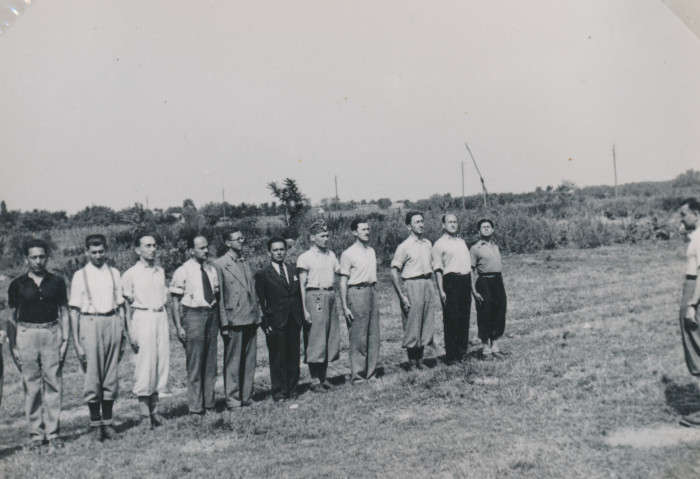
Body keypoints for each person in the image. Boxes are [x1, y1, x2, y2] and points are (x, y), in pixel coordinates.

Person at [7, 239, 69, 450]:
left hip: (51, 333)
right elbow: (11, 317)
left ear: (47, 258)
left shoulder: (57, 282)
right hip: (26, 335)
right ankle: (36, 434)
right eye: (33, 257)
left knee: (53, 384)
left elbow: (65, 312)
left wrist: (65, 339)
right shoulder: (17, 285)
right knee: (31, 386)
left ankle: (53, 433)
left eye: (42, 256)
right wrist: (14, 345)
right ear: (26, 259)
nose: (38, 261)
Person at [69, 234, 126, 442]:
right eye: (93, 252)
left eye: (101, 251)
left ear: (106, 250)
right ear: (86, 252)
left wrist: (123, 333)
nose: (98, 256)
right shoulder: (79, 275)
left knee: (110, 374)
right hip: (90, 323)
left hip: (111, 322)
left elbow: (121, 307)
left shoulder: (115, 273)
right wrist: (77, 343)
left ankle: (108, 423)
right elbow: (73, 313)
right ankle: (95, 425)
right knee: (93, 376)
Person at [122, 234, 170, 430]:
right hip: (142, 319)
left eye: (154, 245)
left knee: (160, 364)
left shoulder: (160, 271)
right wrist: (129, 333)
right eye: (147, 246)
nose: (152, 249)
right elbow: (125, 307)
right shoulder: (130, 274)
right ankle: (144, 415)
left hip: (160, 317)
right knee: (145, 366)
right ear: (137, 250)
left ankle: (155, 412)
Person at [170, 235, 219, 418]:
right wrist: (179, 327)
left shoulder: (211, 270)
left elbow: (215, 294)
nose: (206, 251)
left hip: (211, 315)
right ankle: (196, 407)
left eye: (207, 247)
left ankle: (209, 403)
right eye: (201, 248)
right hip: (193, 316)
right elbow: (174, 302)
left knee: (210, 362)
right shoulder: (183, 271)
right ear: (192, 250)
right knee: (195, 363)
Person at [214, 229, 261, 409]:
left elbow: (252, 291)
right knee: (233, 361)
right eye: (238, 238)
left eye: (243, 237)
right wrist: (224, 323)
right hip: (233, 319)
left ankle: (247, 395)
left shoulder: (244, 262)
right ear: (227, 242)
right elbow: (219, 298)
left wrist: (258, 316)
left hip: (250, 317)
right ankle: (232, 399)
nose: (242, 240)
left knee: (250, 360)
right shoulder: (220, 265)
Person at [254, 236, 304, 401]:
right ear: (269, 252)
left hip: (293, 320)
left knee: (293, 356)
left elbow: (298, 295)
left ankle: (293, 390)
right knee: (277, 358)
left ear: (286, 250)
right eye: (275, 250)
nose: (279, 252)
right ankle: (279, 392)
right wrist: (264, 323)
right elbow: (260, 300)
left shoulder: (292, 269)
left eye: (281, 249)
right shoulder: (263, 274)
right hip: (276, 321)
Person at [297, 220, 340, 392]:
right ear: (312, 238)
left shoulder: (331, 255)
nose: (326, 239)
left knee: (329, 336)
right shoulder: (305, 257)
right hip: (315, 297)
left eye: (327, 236)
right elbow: (301, 285)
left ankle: (323, 377)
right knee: (316, 337)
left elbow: (339, 272)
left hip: (330, 295)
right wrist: (304, 309)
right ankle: (314, 380)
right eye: (322, 236)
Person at [390, 211, 437, 370]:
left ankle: (421, 360)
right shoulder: (404, 246)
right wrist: (401, 295)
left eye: (422, 221)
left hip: (427, 283)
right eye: (417, 222)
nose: (421, 224)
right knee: (413, 323)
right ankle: (412, 362)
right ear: (409, 226)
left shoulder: (428, 244)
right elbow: (394, 271)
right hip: (412, 284)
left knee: (426, 321)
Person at [339, 218, 380, 384]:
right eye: (363, 229)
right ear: (354, 232)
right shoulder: (348, 254)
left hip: (372, 291)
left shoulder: (371, 251)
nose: (367, 232)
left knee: (373, 334)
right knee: (358, 336)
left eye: (368, 229)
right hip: (356, 293)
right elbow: (342, 281)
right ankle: (358, 375)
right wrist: (344, 305)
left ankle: (371, 373)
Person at [432, 213, 473, 363]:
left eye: (455, 222)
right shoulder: (439, 244)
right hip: (450, 282)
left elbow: (468, 266)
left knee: (464, 317)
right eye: (450, 222)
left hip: (465, 280)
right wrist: (441, 290)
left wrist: (471, 286)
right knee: (452, 319)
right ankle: (452, 356)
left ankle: (462, 353)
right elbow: (438, 269)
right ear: (443, 225)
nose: (453, 224)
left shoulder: (461, 242)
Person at [676, 198, 700, 427]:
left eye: (684, 215)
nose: (682, 219)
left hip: (695, 290)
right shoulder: (696, 237)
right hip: (692, 287)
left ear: (696, 214)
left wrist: (692, 303)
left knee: (696, 349)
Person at [470, 219, 507, 359]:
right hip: (484, 282)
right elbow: (470, 271)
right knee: (485, 313)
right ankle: (486, 349)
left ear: (493, 230)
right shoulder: (475, 248)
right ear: (479, 231)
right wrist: (473, 291)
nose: (486, 229)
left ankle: (495, 346)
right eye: (483, 227)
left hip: (498, 281)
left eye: (488, 227)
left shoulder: (495, 247)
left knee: (499, 312)